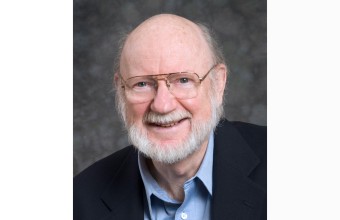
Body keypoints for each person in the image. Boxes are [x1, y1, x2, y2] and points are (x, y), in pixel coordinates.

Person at [74, 14, 266, 220]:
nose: (162, 105)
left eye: (183, 80)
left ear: (218, 84)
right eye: (142, 84)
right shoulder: (79, 201)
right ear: (120, 90)